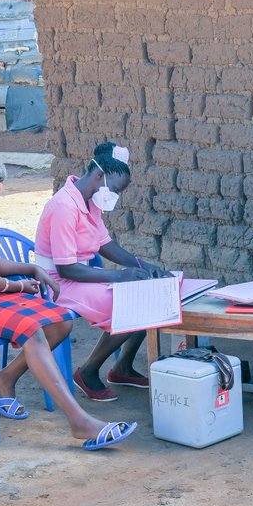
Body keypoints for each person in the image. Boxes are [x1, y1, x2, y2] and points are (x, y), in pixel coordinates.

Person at [0, 149, 135, 450]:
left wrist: (31, 268)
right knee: (30, 329)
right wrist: (16, 287)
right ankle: (79, 421)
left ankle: (4, 380)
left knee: (58, 323)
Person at [34, 141, 168, 403]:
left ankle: (122, 369)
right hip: (58, 283)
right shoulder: (64, 206)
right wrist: (119, 276)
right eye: (116, 189)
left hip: (79, 277)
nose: (116, 196)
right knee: (131, 306)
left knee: (145, 296)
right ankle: (87, 372)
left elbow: (104, 244)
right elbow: (66, 268)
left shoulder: (90, 201)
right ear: (99, 176)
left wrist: (141, 265)